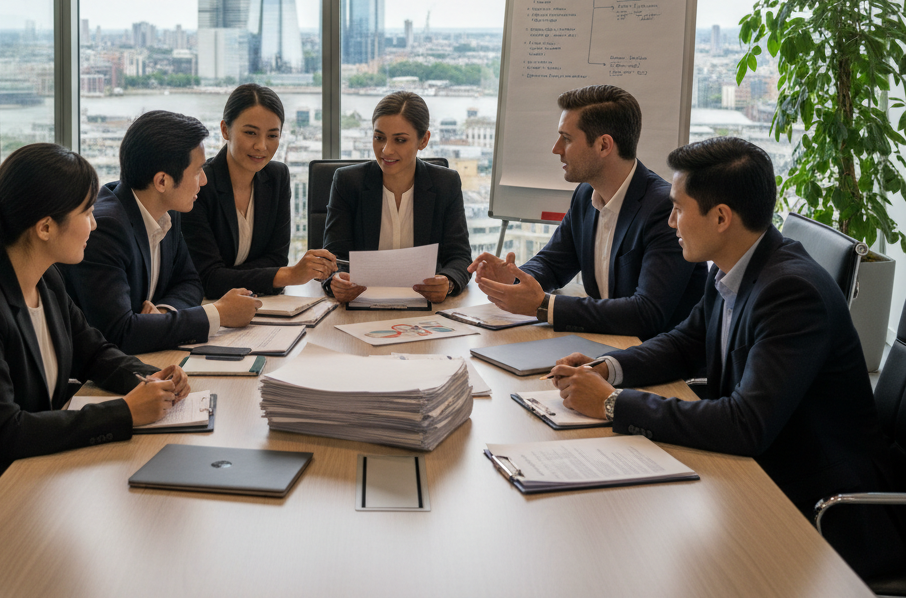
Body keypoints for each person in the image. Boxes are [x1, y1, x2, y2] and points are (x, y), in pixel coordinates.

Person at [551, 136, 906, 581]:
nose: (670, 220)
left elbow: (744, 425)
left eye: (678, 208)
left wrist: (611, 403)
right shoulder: (732, 265)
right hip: (764, 473)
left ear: (721, 217)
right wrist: (608, 368)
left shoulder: (791, 293)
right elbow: (684, 343)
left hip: (826, 510)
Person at [0, 143, 189, 570]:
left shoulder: (45, 279)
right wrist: (126, 412)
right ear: (46, 227)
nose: (94, 224)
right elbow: (5, 433)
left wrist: (150, 378)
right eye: (87, 212)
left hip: (27, 478)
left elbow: (95, 352)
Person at [468, 85, 704, 339]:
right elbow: (553, 263)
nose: (556, 148)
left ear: (603, 145)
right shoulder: (585, 195)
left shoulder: (663, 208)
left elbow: (646, 313)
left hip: (653, 356)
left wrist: (545, 306)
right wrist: (516, 278)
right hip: (603, 345)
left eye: (567, 139)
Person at [61, 110, 261, 354]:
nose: (204, 180)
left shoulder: (168, 211)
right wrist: (218, 314)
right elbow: (119, 333)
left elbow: (190, 282)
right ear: (162, 181)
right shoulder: (105, 229)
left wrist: (164, 313)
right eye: (197, 171)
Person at [181, 84, 337, 298]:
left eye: (272, 135)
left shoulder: (277, 177)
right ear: (225, 130)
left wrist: (227, 275)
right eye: (250, 133)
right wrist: (289, 275)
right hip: (208, 307)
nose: (261, 146)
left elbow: (277, 259)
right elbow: (208, 279)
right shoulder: (200, 185)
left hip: (261, 303)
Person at [323, 91, 471, 303]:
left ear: (423, 140)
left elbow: (460, 256)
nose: (386, 150)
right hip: (360, 302)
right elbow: (334, 256)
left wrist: (448, 282)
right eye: (379, 138)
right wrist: (337, 281)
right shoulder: (348, 182)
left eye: (400, 140)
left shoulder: (446, 183)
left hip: (424, 304)